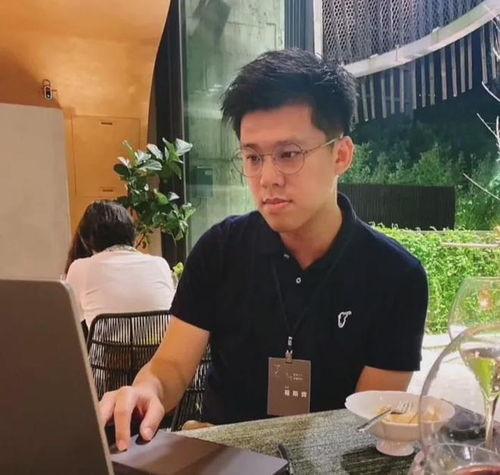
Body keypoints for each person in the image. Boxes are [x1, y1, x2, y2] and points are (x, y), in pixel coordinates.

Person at [99, 49, 428, 451]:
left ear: (341, 155)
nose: (267, 177)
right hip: (220, 461)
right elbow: (170, 366)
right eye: (253, 157)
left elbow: (364, 426)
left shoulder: (396, 278)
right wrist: (145, 391)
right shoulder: (220, 250)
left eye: (289, 155)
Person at [65, 201, 175, 328]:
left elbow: (68, 319)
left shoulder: (81, 268)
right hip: (160, 341)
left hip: (106, 342)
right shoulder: (160, 264)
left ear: (87, 239)